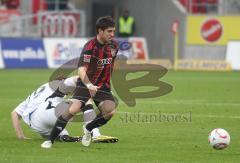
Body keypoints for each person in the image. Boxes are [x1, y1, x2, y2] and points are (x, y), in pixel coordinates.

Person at [41, 16, 119, 148]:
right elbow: (82, 69)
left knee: (110, 111)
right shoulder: (90, 47)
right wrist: (89, 84)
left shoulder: (114, 45)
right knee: (73, 109)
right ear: (100, 31)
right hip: (86, 84)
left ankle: (88, 128)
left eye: (113, 31)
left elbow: (111, 64)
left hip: (102, 86)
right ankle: (50, 140)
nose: (112, 34)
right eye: (109, 31)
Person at [12, 76, 118, 143]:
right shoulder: (59, 84)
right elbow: (78, 79)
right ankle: (95, 133)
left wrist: (20, 136)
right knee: (84, 99)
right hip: (44, 114)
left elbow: (15, 113)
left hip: (37, 126)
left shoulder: (35, 94)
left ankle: (65, 137)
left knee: (62, 132)